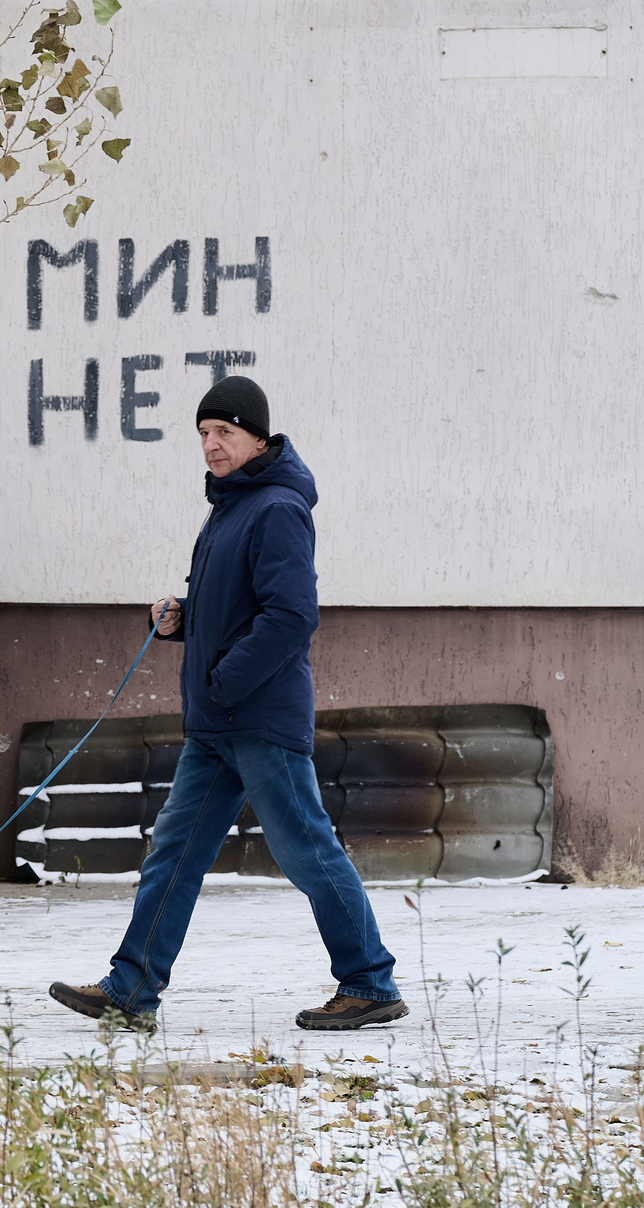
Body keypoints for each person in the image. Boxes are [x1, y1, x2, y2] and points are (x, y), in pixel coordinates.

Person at [48, 376, 406, 1032]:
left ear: (257, 438)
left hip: (259, 719)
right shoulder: (231, 506)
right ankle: (131, 989)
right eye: (204, 434)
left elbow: (292, 616)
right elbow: (240, 606)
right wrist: (183, 618)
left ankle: (369, 982)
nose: (211, 445)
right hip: (217, 724)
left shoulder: (277, 508)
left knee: (306, 850)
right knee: (174, 854)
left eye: (225, 433)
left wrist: (225, 677)